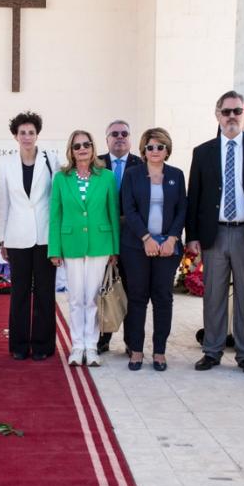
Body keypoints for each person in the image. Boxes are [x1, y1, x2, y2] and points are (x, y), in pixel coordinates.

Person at [186, 91, 244, 376]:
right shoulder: (203, 152)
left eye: (237, 111)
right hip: (215, 234)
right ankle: (212, 351)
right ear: (217, 116)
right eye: (226, 112)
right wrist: (192, 236)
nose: (232, 116)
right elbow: (194, 196)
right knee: (214, 295)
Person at [48, 130, 120, 367]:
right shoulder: (61, 178)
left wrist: (115, 248)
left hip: (100, 244)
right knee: (76, 298)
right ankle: (77, 346)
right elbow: (55, 216)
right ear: (71, 150)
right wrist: (54, 249)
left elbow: (113, 212)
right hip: (71, 244)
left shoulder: (106, 176)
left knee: (92, 298)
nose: (82, 149)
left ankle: (92, 346)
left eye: (86, 144)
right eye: (77, 146)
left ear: (93, 147)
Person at [120, 128, 187, 371]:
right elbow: (128, 209)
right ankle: (136, 350)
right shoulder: (132, 174)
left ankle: (159, 351)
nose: (155, 151)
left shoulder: (176, 175)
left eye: (160, 146)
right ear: (144, 150)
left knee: (163, 298)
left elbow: (182, 209)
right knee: (137, 297)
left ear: (167, 150)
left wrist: (172, 239)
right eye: (150, 147)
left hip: (167, 248)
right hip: (136, 246)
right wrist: (146, 238)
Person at [0, 111, 58, 361]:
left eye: (31, 132)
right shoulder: (7, 164)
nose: (27, 137)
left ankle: (43, 346)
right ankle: (19, 345)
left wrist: (58, 238)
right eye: (22, 132)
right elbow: (4, 203)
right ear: (15, 136)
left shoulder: (51, 160)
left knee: (45, 292)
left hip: (45, 236)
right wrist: (3, 238)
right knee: (19, 292)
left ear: (37, 135)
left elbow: (57, 200)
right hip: (17, 236)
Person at [96, 119, 142, 355]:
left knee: (133, 290)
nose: (120, 137)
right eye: (115, 134)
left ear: (130, 138)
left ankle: (131, 342)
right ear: (107, 140)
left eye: (124, 133)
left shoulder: (142, 164)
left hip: (133, 237)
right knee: (102, 288)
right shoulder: (95, 164)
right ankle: (101, 339)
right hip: (103, 237)